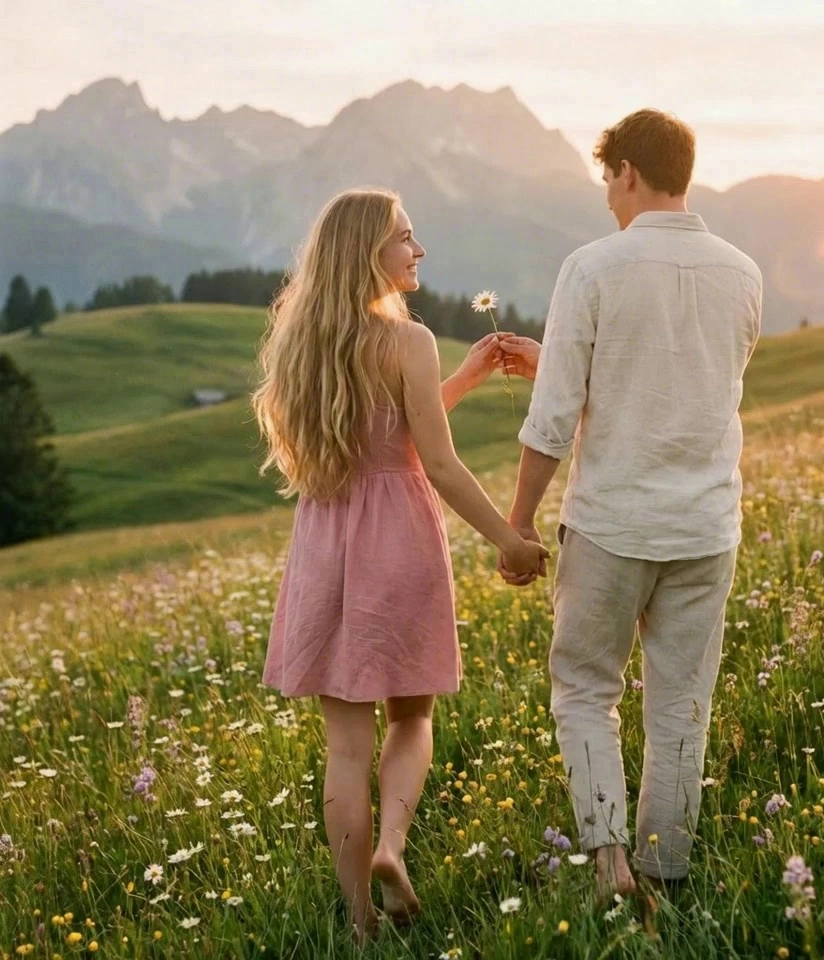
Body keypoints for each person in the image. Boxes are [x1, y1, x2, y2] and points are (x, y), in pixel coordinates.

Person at [253, 187, 549, 943]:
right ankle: (393, 846)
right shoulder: (407, 340)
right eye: (406, 239)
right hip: (399, 541)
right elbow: (436, 463)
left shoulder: (300, 340)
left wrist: (468, 378)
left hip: (325, 542)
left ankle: (358, 926)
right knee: (412, 716)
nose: (418, 252)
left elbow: (382, 433)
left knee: (344, 747)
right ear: (369, 252)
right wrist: (507, 539)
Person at [497, 108, 763, 903]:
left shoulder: (592, 268)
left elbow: (552, 419)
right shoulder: (744, 274)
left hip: (613, 523)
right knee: (683, 701)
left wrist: (516, 523)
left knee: (585, 689)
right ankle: (664, 873)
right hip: (705, 527)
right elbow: (679, 381)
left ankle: (611, 866)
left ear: (631, 174)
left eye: (609, 179)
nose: (608, 195)